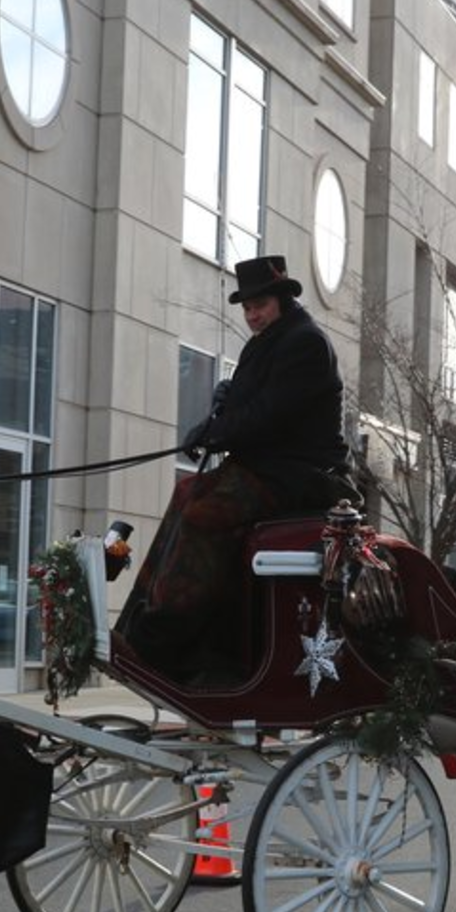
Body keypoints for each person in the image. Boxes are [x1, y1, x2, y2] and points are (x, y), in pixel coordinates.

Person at [129, 255, 355, 681]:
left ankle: (167, 639)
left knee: (204, 515)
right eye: (248, 308)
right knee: (185, 492)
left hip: (299, 476)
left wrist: (214, 432)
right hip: (267, 467)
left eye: (260, 305)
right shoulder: (269, 341)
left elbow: (269, 414)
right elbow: (252, 402)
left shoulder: (304, 341)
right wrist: (222, 407)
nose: (252, 315)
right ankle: (143, 618)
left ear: (282, 300)